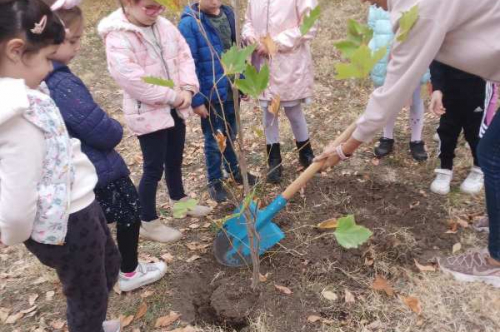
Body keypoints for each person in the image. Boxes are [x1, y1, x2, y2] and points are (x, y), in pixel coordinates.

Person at [316, 0, 500, 287]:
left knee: (492, 154)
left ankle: (496, 261)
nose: (367, 3)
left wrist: (343, 149)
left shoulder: (421, 10)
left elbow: (392, 94)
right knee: (493, 151)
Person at [0, 0, 121, 330]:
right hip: (66, 224)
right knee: (87, 296)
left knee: (108, 267)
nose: (51, 69)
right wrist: (12, 232)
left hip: (79, 203)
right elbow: (15, 203)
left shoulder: (27, 91)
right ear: (15, 51)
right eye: (45, 58)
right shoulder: (15, 118)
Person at [44, 0, 167, 292]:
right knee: (129, 212)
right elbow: (96, 126)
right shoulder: (61, 83)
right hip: (99, 167)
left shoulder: (45, 78)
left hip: (84, 168)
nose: (77, 47)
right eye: (71, 40)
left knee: (102, 222)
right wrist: (114, 128)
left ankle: (112, 268)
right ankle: (128, 271)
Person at [98, 0, 211, 233]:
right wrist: (174, 96)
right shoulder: (117, 38)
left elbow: (184, 56)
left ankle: (179, 202)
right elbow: (134, 80)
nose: (157, 12)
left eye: (160, 6)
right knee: (153, 168)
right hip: (148, 112)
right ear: (129, 4)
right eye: (150, 6)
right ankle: (148, 220)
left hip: (175, 106)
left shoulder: (164, 26)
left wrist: (188, 88)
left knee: (174, 159)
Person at [178, 0, 257, 203]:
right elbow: (189, 63)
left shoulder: (228, 14)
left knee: (231, 132)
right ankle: (215, 181)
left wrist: (243, 82)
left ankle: (234, 171)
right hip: (211, 93)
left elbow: (237, 49)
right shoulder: (190, 24)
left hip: (231, 88)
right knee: (214, 139)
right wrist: (196, 99)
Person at [242, 0, 318, 184]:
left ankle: (306, 153)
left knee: (293, 111)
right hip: (263, 64)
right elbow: (248, 21)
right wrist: (249, 36)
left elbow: (309, 26)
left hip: (289, 63)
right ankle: (274, 161)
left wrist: (274, 43)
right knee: (269, 112)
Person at [368, 4, 430, 161]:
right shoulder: (377, 6)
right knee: (388, 100)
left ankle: (416, 139)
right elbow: (373, 28)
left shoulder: (414, 3)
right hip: (384, 59)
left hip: (409, 59)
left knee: (415, 99)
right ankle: (387, 136)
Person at [428, 61, 486, 195]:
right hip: (450, 88)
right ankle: (445, 168)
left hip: (477, 87)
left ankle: (479, 167)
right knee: (447, 129)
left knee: (475, 132)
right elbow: (438, 58)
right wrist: (437, 88)